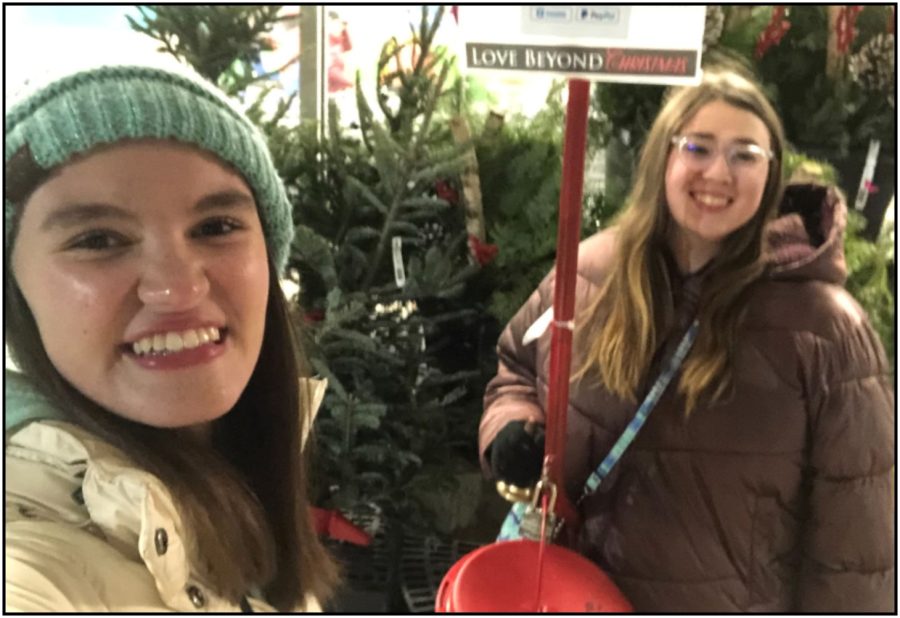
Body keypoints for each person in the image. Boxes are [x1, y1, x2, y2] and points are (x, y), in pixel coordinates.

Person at [479, 67, 894, 612]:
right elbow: (516, 367)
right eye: (698, 147)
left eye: (745, 154)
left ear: (771, 174)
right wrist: (513, 428)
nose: (719, 172)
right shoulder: (590, 273)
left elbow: (856, 545)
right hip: (576, 595)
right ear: (663, 158)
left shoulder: (826, 330)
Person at [4, 63, 338, 612]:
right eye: (99, 239)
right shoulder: (29, 568)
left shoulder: (241, 473)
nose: (178, 288)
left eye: (215, 227)